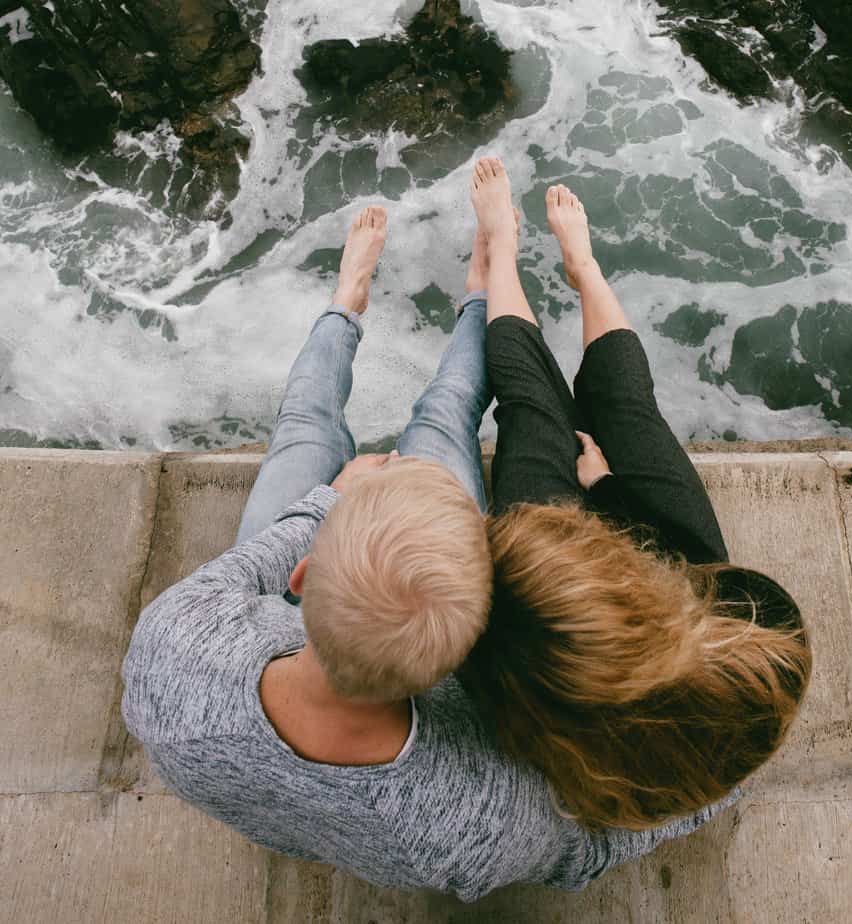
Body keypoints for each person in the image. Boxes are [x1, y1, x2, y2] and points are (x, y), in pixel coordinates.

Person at [122, 194, 738, 903]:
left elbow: (238, 574)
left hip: (299, 616)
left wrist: (329, 504)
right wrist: (719, 783)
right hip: (370, 619)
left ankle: (349, 302)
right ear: (471, 650)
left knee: (303, 431)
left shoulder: (174, 642)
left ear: (302, 570)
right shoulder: (479, 814)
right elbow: (591, 846)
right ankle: (477, 296)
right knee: (443, 412)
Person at [459, 157, 812, 832]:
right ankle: (582, 268)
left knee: (532, 409)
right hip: (690, 570)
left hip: (571, 627)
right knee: (626, 405)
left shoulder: (533, 689)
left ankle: (501, 250)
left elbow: (489, 662)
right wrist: (609, 490)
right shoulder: (754, 644)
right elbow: (687, 562)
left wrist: (584, 503)